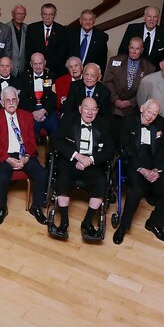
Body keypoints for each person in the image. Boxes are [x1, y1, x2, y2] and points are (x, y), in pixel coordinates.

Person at [51, 97, 114, 241]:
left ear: (97, 111)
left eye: (93, 109)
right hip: (71, 162)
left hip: (92, 165)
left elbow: (110, 150)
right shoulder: (68, 120)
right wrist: (77, 156)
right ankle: (64, 222)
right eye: (86, 108)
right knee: (62, 179)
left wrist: (90, 160)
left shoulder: (104, 125)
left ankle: (87, 222)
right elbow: (57, 141)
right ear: (80, 109)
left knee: (102, 182)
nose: (90, 113)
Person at [113, 99, 164, 245]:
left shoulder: (160, 122)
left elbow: (162, 149)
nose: (151, 116)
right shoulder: (127, 121)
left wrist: (157, 169)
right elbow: (126, 148)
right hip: (134, 164)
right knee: (136, 191)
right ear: (141, 109)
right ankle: (123, 226)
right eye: (148, 112)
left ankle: (154, 223)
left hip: (152, 165)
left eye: (154, 114)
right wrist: (142, 169)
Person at [0, 86, 48, 226]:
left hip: (24, 154)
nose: (11, 103)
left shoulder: (27, 116)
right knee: (1, 177)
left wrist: (26, 157)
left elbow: (33, 141)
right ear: (2, 102)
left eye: (14, 100)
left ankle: (36, 208)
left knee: (41, 173)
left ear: (18, 101)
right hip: (5, 155)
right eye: (7, 100)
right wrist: (9, 159)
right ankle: (2, 208)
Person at [102, 37, 156, 143]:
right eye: (132, 48)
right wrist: (115, 99)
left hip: (132, 111)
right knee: (110, 138)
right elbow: (107, 82)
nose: (134, 51)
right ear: (128, 48)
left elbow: (147, 91)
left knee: (126, 140)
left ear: (142, 50)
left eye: (137, 49)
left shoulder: (149, 68)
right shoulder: (114, 60)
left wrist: (130, 102)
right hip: (112, 108)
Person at [15, 52, 60, 141]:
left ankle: (54, 154)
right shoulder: (23, 76)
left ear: (44, 63)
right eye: (35, 64)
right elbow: (22, 98)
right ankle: (32, 154)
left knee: (57, 131)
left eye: (40, 63)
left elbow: (53, 97)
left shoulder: (52, 76)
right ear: (31, 64)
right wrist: (33, 113)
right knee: (29, 132)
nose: (38, 66)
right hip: (30, 111)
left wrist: (43, 111)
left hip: (48, 110)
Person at [25, 2, 69, 75]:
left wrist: (47, 66)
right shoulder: (32, 28)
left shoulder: (62, 30)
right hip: (35, 70)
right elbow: (29, 50)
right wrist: (39, 66)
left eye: (50, 14)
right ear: (41, 15)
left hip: (55, 71)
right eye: (45, 14)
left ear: (55, 15)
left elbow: (62, 52)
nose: (47, 17)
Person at [7, 4, 29, 76]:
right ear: (12, 14)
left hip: (23, 69)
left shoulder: (28, 29)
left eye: (23, 14)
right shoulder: (5, 28)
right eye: (18, 14)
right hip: (9, 69)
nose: (20, 16)